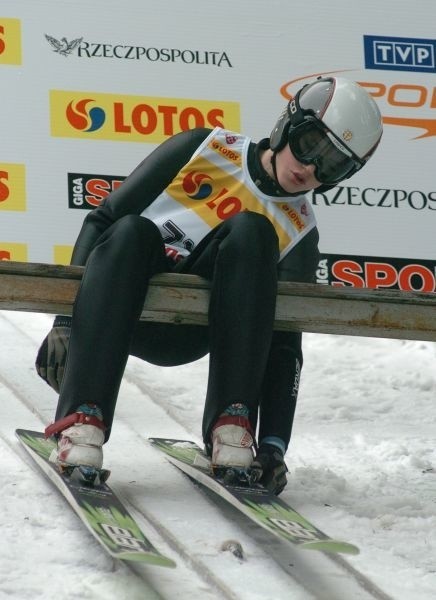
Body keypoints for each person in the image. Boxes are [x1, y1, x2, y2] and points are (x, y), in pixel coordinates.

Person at [36, 76, 383, 494]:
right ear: (288, 126)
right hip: (120, 311)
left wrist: (274, 445)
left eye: (331, 166)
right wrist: (64, 323)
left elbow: (285, 342)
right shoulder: (205, 148)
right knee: (132, 230)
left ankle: (231, 424)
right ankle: (82, 421)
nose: (309, 168)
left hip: (198, 333)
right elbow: (103, 221)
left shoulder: (300, 231)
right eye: (311, 146)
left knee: (254, 230)